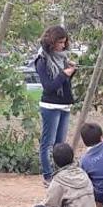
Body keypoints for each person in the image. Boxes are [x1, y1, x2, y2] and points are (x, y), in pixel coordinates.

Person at [35, 26, 77, 186]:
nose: (63, 46)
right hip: (50, 106)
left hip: (64, 104)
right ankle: (48, 177)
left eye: (64, 43)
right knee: (48, 143)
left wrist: (71, 72)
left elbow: (65, 84)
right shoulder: (42, 60)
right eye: (60, 42)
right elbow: (49, 86)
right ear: (51, 42)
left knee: (61, 145)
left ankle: (60, 176)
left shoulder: (62, 58)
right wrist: (63, 74)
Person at [22, 143, 96, 207]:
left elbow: (50, 204)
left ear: (55, 162)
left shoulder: (59, 179)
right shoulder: (82, 173)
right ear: (72, 157)